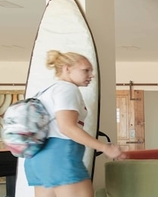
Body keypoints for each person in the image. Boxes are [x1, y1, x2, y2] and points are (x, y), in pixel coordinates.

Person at [25, 50, 123, 197]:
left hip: (37, 158)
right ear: (67, 68)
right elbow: (67, 127)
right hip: (60, 156)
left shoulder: (45, 92)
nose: (91, 75)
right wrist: (104, 147)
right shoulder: (67, 89)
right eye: (86, 70)